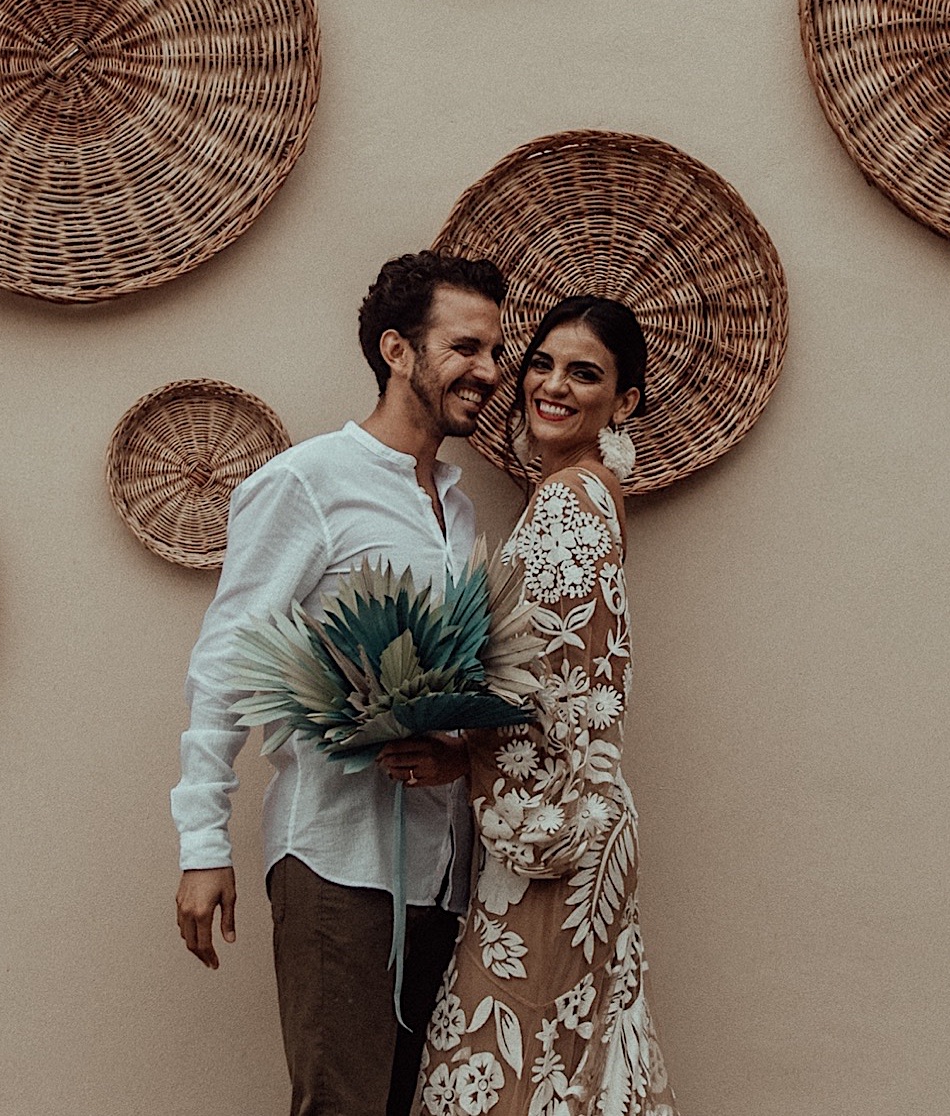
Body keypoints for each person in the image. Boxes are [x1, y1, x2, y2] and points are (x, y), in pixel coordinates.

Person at [172, 250, 507, 1116]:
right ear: (398, 351)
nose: (489, 372)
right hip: (336, 861)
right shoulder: (306, 483)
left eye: (494, 351)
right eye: (466, 348)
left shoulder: (458, 507)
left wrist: (460, 747)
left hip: (442, 872)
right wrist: (202, 843)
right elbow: (226, 661)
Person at [406, 296, 678, 1116]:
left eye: (584, 373)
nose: (553, 386)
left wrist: (463, 758)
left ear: (623, 402)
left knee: (507, 1072)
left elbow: (562, 702)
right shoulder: (585, 495)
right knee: (568, 1068)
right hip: (580, 824)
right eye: (543, 364)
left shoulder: (569, 503)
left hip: (552, 837)